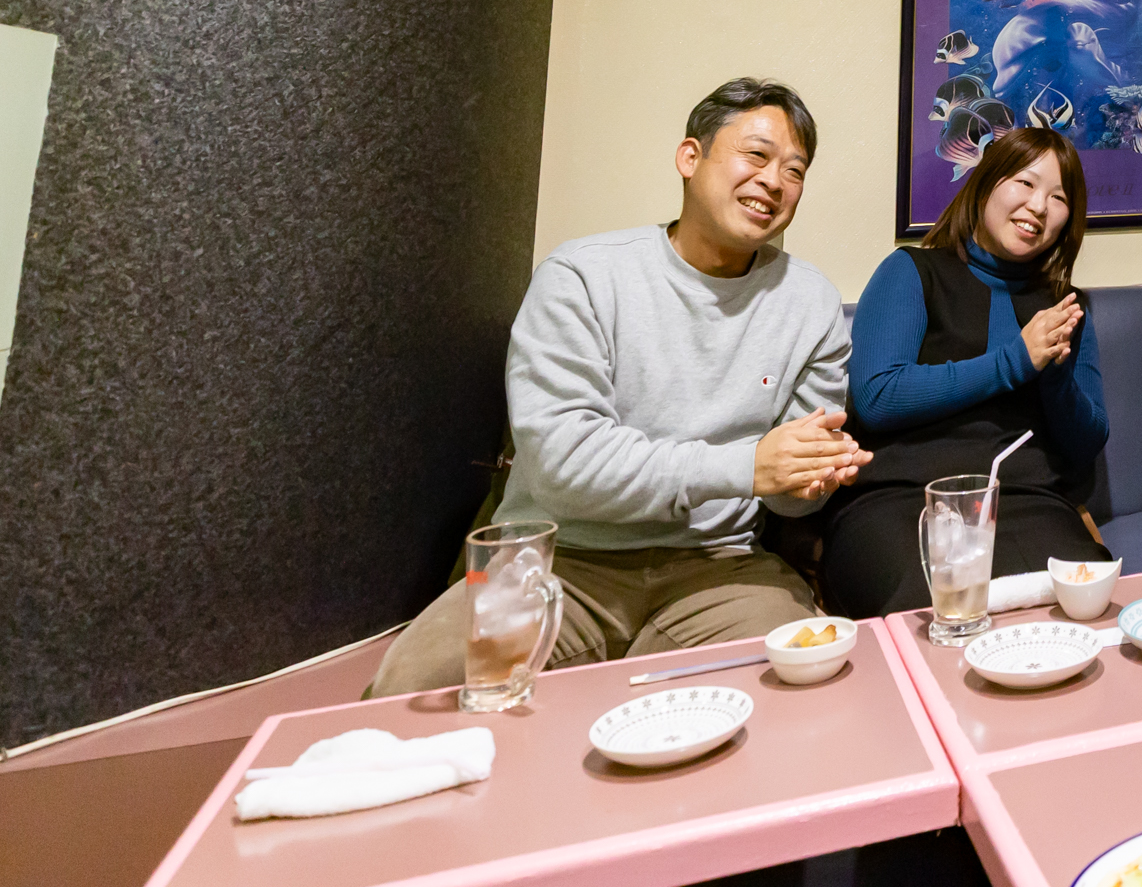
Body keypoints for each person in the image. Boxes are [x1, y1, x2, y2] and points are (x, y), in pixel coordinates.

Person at [367, 77, 867, 695]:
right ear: (690, 157)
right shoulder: (581, 276)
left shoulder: (810, 301)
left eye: (795, 171)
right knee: (413, 694)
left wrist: (809, 477)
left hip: (716, 568)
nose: (774, 181)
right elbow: (564, 465)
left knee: (803, 680)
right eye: (756, 155)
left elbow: (791, 499)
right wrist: (748, 466)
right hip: (553, 559)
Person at [819, 126, 1113, 613]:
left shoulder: (1064, 308)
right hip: (902, 501)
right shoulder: (911, 271)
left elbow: (1086, 443)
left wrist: (1054, 373)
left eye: (1059, 198)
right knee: (932, 613)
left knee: (1086, 609)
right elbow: (877, 397)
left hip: (1026, 499)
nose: (1039, 206)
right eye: (1025, 183)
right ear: (985, 183)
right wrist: (1016, 361)